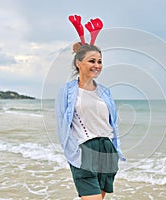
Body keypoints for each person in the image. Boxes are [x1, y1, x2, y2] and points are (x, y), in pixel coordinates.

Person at [55, 40, 125, 198]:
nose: (97, 65)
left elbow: (112, 123)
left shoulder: (105, 92)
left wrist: (114, 150)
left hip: (107, 150)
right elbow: (61, 125)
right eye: (92, 61)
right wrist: (72, 151)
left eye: (100, 61)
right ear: (78, 63)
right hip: (83, 150)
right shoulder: (67, 91)